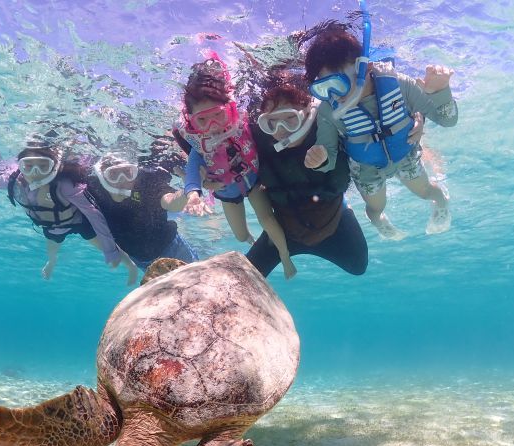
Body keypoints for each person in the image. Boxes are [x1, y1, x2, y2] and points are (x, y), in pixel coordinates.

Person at [246, 72, 418, 277]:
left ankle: (347, 207)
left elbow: (382, 113)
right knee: (247, 277)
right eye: (271, 122)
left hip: (334, 224)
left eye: (291, 119)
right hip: (283, 232)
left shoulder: (330, 125)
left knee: (358, 265)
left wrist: (418, 118)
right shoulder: (256, 139)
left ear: (309, 112)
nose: (282, 130)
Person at [302, 19, 458, 240]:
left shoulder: (400, 85)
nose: (337, 95)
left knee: (426, 192)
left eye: (341, 82)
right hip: (367, 169)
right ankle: (378, 222)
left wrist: (440, 91)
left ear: (367, 67)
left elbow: (446, 120)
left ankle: (441, 202)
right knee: (376, 207)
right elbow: (329, 152)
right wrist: (320, 159)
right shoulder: (328, 110)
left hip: (405, 155)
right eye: (325, 87)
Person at [174, 53, 298, 279]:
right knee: (241, 237)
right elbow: (192, 171)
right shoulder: (200, 145)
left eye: (218, 116)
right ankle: (250, 238)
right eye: (202, 120)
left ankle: (285, 256)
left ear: (230, 109)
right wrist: (193, 194)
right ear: (191, 121)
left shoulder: (245, 126)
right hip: (226, 192)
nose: (213, 127)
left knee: (267, 219)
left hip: (253, 182)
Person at [0, 138, 138, 284]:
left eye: (43, 166)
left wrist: (109, 251)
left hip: (78, 222)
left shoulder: (66, 186)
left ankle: (130, 266)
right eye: (28, 166)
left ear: (54, 166)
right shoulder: (11, 179)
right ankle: (52, 262)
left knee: (112, 249)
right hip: (51, 227)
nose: (35, 172)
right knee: (52, 251)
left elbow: (93, 215)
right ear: (20, 166)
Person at [86, 151, 199, 271]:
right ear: (101, 175)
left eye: (128, 173)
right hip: (142, 261)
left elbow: (170, 202)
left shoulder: (145, 182)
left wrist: (188, 191)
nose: (122, 180)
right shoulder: (93, 190)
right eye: (113, 174)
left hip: (174, 248)